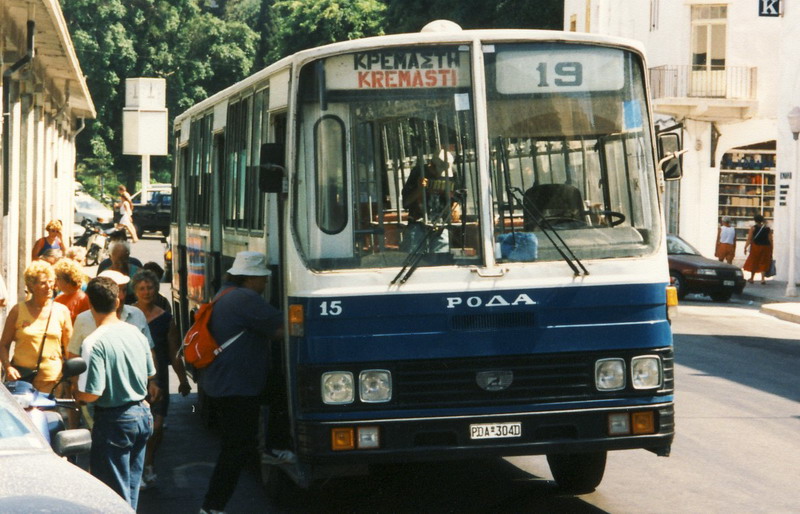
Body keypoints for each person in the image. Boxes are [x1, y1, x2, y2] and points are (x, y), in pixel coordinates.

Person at [200, 251, 283, 514]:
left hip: (222, 383)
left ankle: (273, 447)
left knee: (236, 444)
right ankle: (212, 506)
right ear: (250, 279)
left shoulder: (225, 293)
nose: (265, 284)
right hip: (238, 387)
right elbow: (282, 328)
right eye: (262, 279)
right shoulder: (246, 298)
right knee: (234, 450)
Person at [75, 277, 155, 509]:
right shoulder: (135, 333)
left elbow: (92, 393)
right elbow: (151, 372)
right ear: (118, 301)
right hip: (142, 415)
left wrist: (78, 395)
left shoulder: (94, 342)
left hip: (115, 420)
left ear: (90, 305)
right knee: (130, 491)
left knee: (113, 494)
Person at [131, 269, 190, 489]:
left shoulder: (166, 319)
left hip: (158, 377)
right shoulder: (128, 314)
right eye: (142, 288)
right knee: (138, 425)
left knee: (157, 426)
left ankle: (149, 463)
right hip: (133, 377)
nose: (147, 292)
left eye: (150, 288)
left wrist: (183, 380)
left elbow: (174, 352)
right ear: (135, 291)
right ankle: (139, 465)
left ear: (156, 289)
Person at [0, 261, 72, 393]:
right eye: (43, 283)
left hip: (52, 381)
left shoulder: (62, 311)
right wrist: (8, 367)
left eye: (51, 281)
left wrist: (72, 379)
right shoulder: (17, 311)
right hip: (21, 379)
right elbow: (3, 345)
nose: (49, 286)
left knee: (49, 414)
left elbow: (69, 349)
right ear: (31, 286)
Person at [54, 258, 90, 323]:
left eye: (58, 278)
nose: (55, 281)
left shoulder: (83, 299)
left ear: (68, 281)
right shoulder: (58, 299)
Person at [743, 214, 774, 284]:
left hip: (756, 246)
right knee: (763, 261)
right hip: (766, 247)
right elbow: (770, 239)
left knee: (754, 261)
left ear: (755, 220)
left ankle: (751, 278)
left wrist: (745, 247)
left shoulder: (753, 228)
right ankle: (762, 279)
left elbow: (749, 239)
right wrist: (772, 248)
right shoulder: (767, 229)